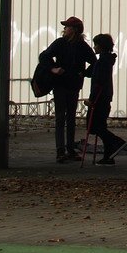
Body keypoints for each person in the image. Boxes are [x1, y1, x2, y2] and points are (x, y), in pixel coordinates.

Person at [38, 16, 97, 163]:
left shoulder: (80, 46)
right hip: (63, 84)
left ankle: (68, 150)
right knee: (63, 117)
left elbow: (94, 63)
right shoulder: (62, 43)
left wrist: (83, 73)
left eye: (67, 27)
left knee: (69, 118)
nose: (64, 29)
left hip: (71, 85)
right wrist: (53, 68)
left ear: (74, 30)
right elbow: (44, 56)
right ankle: (62, 151)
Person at [84, 33, 127, 165]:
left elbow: (98, 82)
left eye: (96, 44)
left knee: (94, 126)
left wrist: (92, 100)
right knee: (100, 126)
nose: (94, 47)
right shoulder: (106, 60)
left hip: (99, 99)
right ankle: (109, 156)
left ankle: (117, 142)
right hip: (105, 98)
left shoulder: (102, 62)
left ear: (101, 46)